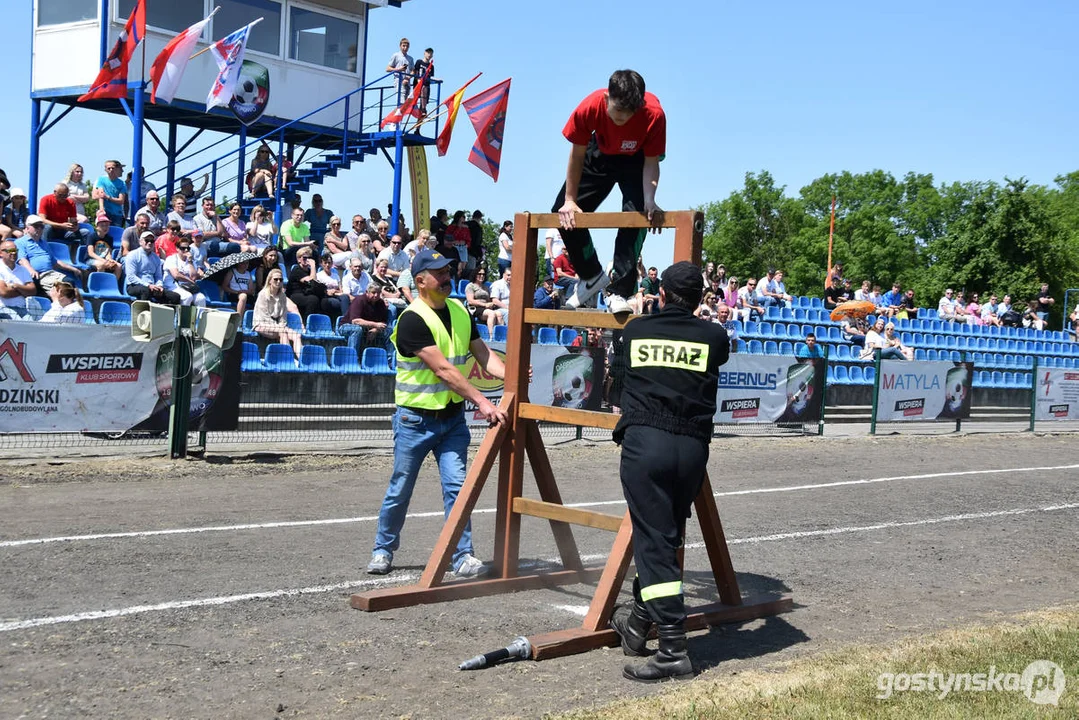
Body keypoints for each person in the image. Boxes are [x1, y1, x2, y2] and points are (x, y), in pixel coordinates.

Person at [608, 261, 728, 683]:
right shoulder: (716, 336)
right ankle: (639, 622)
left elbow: (617, 379)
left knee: (655, 544)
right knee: (668, 536)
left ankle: (673, 650)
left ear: (660, 294)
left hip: (648, 445)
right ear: (699, 299)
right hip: (693, 448)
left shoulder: (637, 330)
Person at [366, 248, 508, 578]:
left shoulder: (460, 311)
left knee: (458, 488)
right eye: (439, 273)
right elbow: (444, 369)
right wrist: (484, 402)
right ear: (420, 281)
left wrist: (512, 375)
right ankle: (383, 549)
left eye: (447, 271)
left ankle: (462, 556)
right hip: (415, 421)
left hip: (452, 421)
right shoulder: (411, 319)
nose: (447, 277)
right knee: (400, 488)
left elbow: (484, 356)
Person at [553, 70, 665, 315]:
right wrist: (570, 200)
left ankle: (620, 291)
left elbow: (652, 161)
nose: (620, 122)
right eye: (616, 115)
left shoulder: (654, 114)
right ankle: (591, 275)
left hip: (637, 160)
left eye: (627, 117)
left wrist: (650, 200)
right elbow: (577, 154)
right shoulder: (589, 107)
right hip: (599, 154)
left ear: (640, 106)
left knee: (637, 216)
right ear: (606, 98)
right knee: (561, 213)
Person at [16, 215, 83, 293]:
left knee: (69, 282)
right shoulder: (20, 242)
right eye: (36, 226)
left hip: (50, 273)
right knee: (64, 289)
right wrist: (31, 270)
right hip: (36, 275)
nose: (39, 228)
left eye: (41, 226)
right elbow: (22, 260)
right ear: (27, 227)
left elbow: (54, 262)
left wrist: (73, 269)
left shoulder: (44, 243)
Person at [253, 268, 303, 358]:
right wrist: (279, 327)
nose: (278, 281)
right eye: (276, 279)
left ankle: (302, 360)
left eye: (281, 279)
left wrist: (281, 325)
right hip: (261, 324)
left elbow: (283, 316)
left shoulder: (282, 296)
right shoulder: (263, 294)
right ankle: (288, 359)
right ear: (269, 281)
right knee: (282, 331)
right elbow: (264, 316)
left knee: (297, 335)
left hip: (277, 326)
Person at [124, 231, 181, 304]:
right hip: (135, 286)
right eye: (147, 240)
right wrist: (148, 285)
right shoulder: (132, 255)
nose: (149, 243)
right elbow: (131, 277)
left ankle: (165, 314)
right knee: (146, 291)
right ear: (140, 242)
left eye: (152, 241)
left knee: (175, 297)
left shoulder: (156, 258)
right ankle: (144, 314)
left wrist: (159, 286)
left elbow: (158, 277)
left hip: (153, 286)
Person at [38, 183, 89, 253]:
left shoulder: (70, 202)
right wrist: (60, 225)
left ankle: (84, 256)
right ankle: (45, 253)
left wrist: (75, 226)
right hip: (51, 230)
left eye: (65, 195)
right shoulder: (46, 199)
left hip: (64, 231)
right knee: (47, 228)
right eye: (60, 195)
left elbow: (73, 220)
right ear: (55, 193)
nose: (63, 198)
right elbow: (42, 220)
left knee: (86, 233)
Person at [340, 283, 389, 352]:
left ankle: (389, 359)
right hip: (347, 326)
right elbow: (355, 321)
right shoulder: (359, 300)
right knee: (357, 329)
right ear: (367, 292)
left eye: (378, 293)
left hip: (369, 328)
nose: (376, 295)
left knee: (389, 330)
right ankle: (352, 358)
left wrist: (376, 330)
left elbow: (384, 321)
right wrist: (375, 325)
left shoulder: (381, 303)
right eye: (373, 292)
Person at [164, 241, 207, 307]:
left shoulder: (191, 261)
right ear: (177, 249)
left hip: (187, 287)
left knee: (201, 298)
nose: (186, 250)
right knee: (187, 296)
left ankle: (199, 317)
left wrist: (190, 262)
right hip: (173, 286)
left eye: (188, 248)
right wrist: (189, 280)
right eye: (183, 248)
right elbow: (176, 275)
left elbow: (193, 277)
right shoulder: (171, 259)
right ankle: (182, 317)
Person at [0, 238, 35, 319]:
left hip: (22, 308)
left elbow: (32, 291)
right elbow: (4, 293)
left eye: (16, 250)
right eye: (11, 250)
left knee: (33, 327)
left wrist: (16, 286)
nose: (14, 253)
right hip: (3, 309)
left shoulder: (23, 269)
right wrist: (23, 291)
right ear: (1, 253)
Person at [86, 213, 124, 282]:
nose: (105, 227)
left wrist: (110, 260)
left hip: (104, 260)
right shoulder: (91, 237)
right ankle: (99, 284)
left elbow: (108, 253)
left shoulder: (109, 238)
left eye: (107, 225)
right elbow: (91, 253)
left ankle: (112, 284)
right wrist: (103, 260)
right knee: (101, 265)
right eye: (102, 225)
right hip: (91, 259)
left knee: (119, 266)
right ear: (97, 227)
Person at [93, 160, 128, 227]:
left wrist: (108, 197)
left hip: (117, 214)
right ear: (105, 170)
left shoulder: (122, 183)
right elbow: (101, 194)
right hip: (105, 212)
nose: (111, 170)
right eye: (109, 168)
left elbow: (121, 201)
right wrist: (101, 209)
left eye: (113, 168)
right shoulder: (101, 179)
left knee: (116, 233)